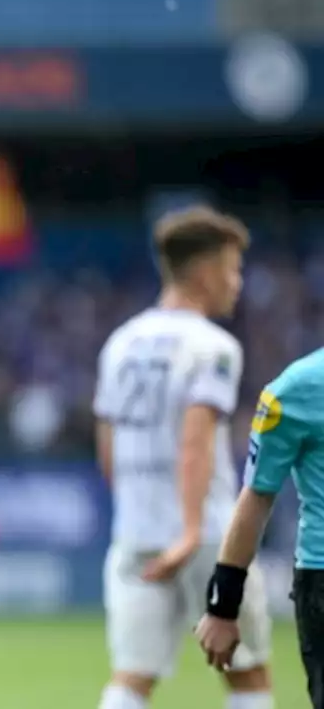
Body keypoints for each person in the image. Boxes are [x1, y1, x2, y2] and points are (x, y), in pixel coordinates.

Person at [92, 206, 273, 709]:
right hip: (210, 535)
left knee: (130, 679)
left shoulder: (120, 343)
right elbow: (195, 439)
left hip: (136, 535)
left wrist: (131, 512)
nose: (237, 283)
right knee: (248, 675)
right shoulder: (214, 347)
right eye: (233, 269)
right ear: (206, 271)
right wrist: (191, 530)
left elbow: (106, 441)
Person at [197, 349, 324, 707]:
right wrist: (223, 603)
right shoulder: (295, 390)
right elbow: (257, 496)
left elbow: (257, 495)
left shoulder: (294, 388)